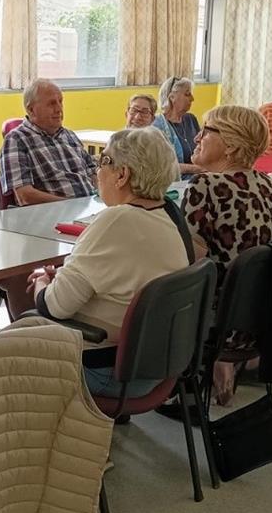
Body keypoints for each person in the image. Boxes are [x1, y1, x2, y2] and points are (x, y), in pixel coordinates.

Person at [30, 128, 188, 397]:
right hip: (157, 365)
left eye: (103, 162)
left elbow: (54, 306)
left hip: (106, 370)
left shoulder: (115, 220)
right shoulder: (168, 213)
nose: (96, 171)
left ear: (122, 175)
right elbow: (118, 272)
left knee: (2, 347)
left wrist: (43, 281)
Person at [181, 105, 272, 404]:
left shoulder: (205, 186)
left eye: (207, 130)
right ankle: (225, 361)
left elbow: (189, 262)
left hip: (216, 319)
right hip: (257, 318)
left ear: (230, 145)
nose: (197, 136)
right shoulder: (266, 183)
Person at [0, 78, 98, 206]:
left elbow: (94, 173)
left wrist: (101, 199)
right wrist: (72, 205)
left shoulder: (69, 136)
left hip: (89, 209)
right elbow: (24, 196)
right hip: (53, 215)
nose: (59, 109)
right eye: (51, 103)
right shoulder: (17, 140)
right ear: (31, 110)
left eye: (60, 102)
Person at [152, 76, 203, 176]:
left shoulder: (191, 119)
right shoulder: (157, 125)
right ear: (172, 97)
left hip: (196, 177)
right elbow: (160, 165)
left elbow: (203, 149)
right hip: (172, 182)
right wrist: (198, 169)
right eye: (187, 94)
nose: (192, 99)